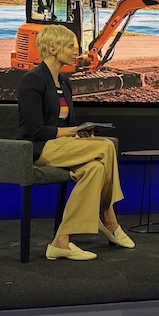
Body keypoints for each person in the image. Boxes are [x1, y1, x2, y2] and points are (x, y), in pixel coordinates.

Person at [16, 24, 133, 261]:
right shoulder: (32, 80)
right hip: (38, 148)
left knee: (95, 169)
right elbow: (35, 130)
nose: (75, 52)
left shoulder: (64, 82)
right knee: (106, 146)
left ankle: (61, 241)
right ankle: (109, 218)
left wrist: (80, 133)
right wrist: (71, 132)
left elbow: (69, 122)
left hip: (63, 147)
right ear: (52, 48)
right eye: (70, 46)